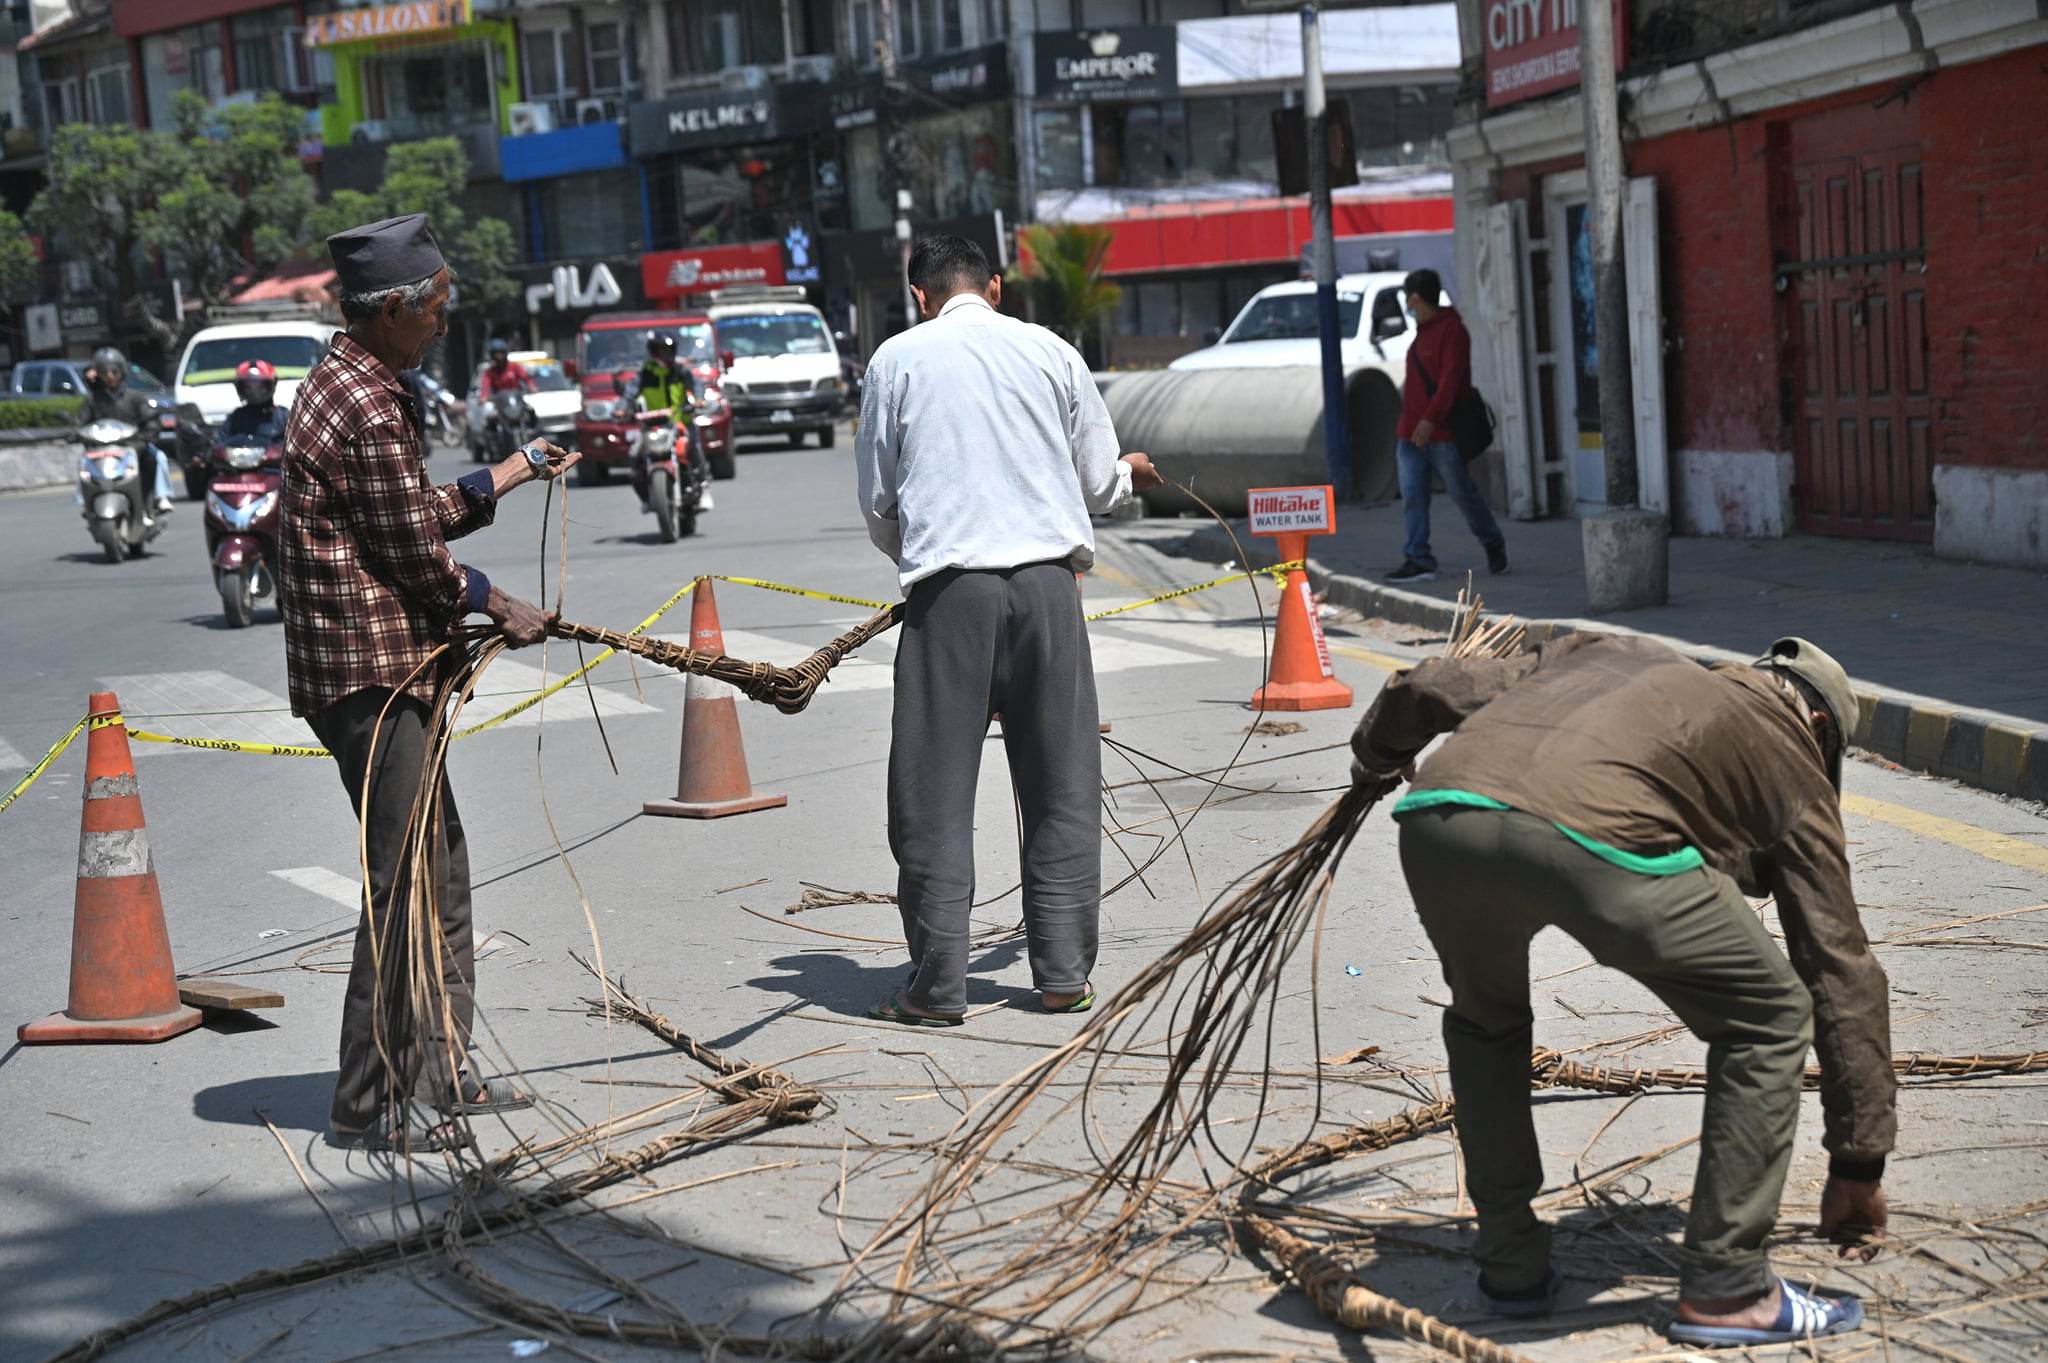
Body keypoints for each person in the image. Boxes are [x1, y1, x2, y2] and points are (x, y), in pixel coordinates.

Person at [1350, 633, 1892, 1346]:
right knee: (1769, 1012)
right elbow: (1836, 964)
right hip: (1588, 832)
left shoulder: (1616, 652)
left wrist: (1377, 754)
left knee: (1487, 1025)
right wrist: (1859, 1158)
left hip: (1440, 816)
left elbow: (1428, 688)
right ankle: (1729, 1289)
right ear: (1820, 726)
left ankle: (1510, 1269)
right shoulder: (1791, 757)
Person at [279, 213, 580, 1154]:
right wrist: (500, 600)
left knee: (439, 861)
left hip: (389, 669)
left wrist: (508, 473)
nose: (445, 321)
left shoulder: (358, 381)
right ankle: (368, 1104)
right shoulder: (366, 402)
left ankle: (443, 1066)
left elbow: (407, 512)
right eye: (438, 306)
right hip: (371, 678)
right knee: (403, 881)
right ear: (395, 309)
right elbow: (415, 551)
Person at [854, 234, 1163, 1026]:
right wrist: (1130, 474)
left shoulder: (897, 360)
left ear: (920, 293)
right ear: (995, 286)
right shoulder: (1052, 352)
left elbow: (880, 503)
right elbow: (1098, 482)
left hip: (948, 595)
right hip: (1048, 588)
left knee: (933, 794)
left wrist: (925, 562)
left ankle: (938, 986)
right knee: (1061, 783)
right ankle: (1061, 974)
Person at [1385, 269, 1506, 583]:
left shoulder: (1452, 331)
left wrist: (1429, 419)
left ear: (1415, 297)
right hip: (1409, 435)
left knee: (1462, 493)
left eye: (1408, 297)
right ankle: (1418, 558)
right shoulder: (1421, 332)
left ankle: (1492, 541)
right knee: (1413, 497)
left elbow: (1451, 384)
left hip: (1441, 434)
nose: (1407, 304)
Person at [79, 346, 175, 512]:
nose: (110, 376)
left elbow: (150, 418)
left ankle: (160, 496)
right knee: (84, 463)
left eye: (114, 372)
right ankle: (85, 500)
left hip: (134, 445)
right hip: (103, 447)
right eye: (105, 372)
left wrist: (149, 432)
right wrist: (74, 432)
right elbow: (81, 421)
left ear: (121, 372)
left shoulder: (135, 397)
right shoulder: (93, 399)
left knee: (157, 457)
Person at [631, 333, 711, 512]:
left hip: (681, 423)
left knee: (694, 450)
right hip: (654, 426)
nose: (664, 355)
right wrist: (621, 409)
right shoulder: (645, 373)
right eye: (660, 351)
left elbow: (696, 385)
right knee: (635, 456)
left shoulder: (681, 370)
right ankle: (646, 498)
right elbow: (629, 393)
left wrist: (698, 399)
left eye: (667, 351)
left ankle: (704, 490)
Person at [222, 359, 287, 445]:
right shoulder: (235, 418)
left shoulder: (283, 417)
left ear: (272, 384)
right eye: (248, 387)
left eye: (260, 387)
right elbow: (220, 446)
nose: (254, 392)